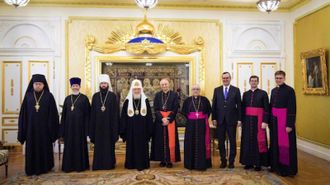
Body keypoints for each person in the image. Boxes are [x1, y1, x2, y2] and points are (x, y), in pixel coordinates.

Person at [18, 74, 59, 176]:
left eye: (40, 84)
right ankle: (31, 168)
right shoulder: (28, 96)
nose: (38, 86)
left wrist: (51, 129)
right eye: (36, 84)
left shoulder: (49, 96)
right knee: (32, 148)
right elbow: (23, 115)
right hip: (31, 129)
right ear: (33, 84)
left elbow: (53, 114)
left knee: (44, 148)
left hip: (45, 129)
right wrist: (23, 129)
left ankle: (46, 167)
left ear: (44, 85)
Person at [120, 79, 153, 171]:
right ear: (132, 90)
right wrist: (124, 130)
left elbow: (149, 117)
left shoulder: (145, 101)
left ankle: (143, 164)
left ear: (141, 89)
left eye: (138, 89)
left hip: (143, 130)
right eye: (135, 89)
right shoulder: (127, 101)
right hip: (131, 130)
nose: (136, 91)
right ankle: (131, 164)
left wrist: (149, 130)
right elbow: (123, 117)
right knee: (132, 146)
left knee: (143, 146)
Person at [269, 70, 297, 177]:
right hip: (275, 121)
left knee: (285, 145)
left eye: (280, 78)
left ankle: (286, 169)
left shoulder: (289, 90)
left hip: (284, 122)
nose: (278, 80)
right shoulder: (273, 90)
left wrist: (290, 124)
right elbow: (271, 106)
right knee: (274, 144)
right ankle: (275, 166)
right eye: (276, 78)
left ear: (284, 78)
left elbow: (292, 108)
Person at [59, 77, 90, 173]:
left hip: (80, 129)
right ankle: (69, 166)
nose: (75, 87)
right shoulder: (67, 99)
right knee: (69, 147)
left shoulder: (84, 99)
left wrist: (86, 130)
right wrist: (62, 130)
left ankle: (80, 166)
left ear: (80, 86)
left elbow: (88, 115)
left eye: (77, 86)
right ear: (70, 87)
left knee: (79, 146)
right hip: (69, 128)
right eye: (73, 86)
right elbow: (64, 115)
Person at [212, 72, 242, 169]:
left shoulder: (236, 90)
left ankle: (232, 161)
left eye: (227, 78)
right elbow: (214, 106)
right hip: (220, 121)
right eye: (224, 78)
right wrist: (214, 118)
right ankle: (223, 160)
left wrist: (239, 119)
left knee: (233, 142)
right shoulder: (217, 90)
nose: (225, 79)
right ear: (222, 79)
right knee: (221, 142)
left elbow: (239, 106)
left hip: (232, 120)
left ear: (230, 78)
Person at [240, 75, 270, 171]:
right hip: (247, 121)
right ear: (249, 82)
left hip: (259, 121)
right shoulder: (245, 94)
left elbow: (267, 109)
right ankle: (248, 163)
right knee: (247, 141)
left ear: (258, 82)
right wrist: (241, 120)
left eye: (255, 81)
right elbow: (242, 109)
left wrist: (265, 121)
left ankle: (258, 164)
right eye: (252, 81)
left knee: (258, 141)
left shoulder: (263, 93)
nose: (253, 82)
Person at [90, 74, 119, 170]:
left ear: (108, 84)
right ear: (99, 84)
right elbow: (92, 113)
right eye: (102, 83)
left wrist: (115, 128)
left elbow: (115, 113)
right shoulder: (95, 96)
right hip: (98, 127)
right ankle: (98, 165)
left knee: (108, 146)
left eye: (105, 83)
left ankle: (109, 164)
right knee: (98, 146)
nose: (103, 85)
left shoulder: (112, 96)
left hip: (109, 126)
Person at [150, 78, 181, 168]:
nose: (164, 86)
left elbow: (176, 108)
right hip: (160, 121)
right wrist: (162, 119)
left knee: (170, 140)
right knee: (160, 140)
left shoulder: (174, 95)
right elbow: (155, 109)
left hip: (170, 121)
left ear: (169, 85)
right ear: (160, 86)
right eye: (162, 85)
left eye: (165, 84)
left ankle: (169, 160)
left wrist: (169, 119)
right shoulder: (157, 95)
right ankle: (162, 160)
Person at [182, 84, 212, 170]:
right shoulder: (187, 100)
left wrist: (200, 118)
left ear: (200, 90)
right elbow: (185, 114)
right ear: (191, 91)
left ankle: (202, 164)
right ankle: (190, 164)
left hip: (202, 126)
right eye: (194, 89)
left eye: (197, 89)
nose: (195, 91)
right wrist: (193, 118)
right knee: (190, 142)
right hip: (190, 126)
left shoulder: (204, 100)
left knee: (201, 143)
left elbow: (208, 112)